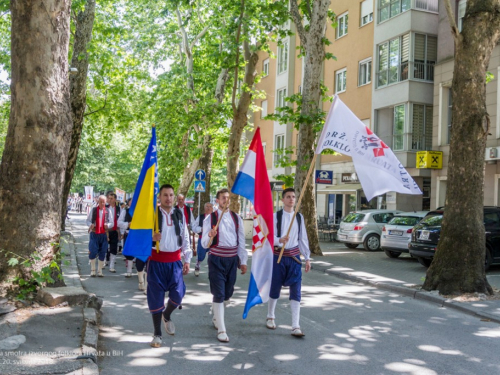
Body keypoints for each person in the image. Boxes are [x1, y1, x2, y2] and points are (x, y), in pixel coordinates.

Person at [148, 184, 192, 348]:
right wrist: (152, 237)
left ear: (174, 197)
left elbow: (185, 237)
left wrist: (187, 259)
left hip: (175, 262)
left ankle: (166, 315)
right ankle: (157, 334)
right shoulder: (152, 215)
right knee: (156, 297)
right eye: (165, 195)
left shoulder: (180, 214)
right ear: (159, 197)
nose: (168, 198)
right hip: (156, 261)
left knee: (178, 294)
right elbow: (139, 236)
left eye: (171, 195)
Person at [202, 188, 247, 343]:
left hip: (232, 260)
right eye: (223, 198)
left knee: (227, 295)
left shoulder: (236, 218)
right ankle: (222, 330)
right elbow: (203, 243)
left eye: (228, 198)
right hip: (216, 259)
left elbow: (241, 241)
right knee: (219, 294)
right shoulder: (210, 219)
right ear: (217, 200)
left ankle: (216, 312)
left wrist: (243, 261)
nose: (226, 200)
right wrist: (209, 235)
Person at [266, 188, 310, 337]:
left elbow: (302, 238)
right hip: (278, 257)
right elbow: (268, 237)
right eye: (288, 197)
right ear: (283, 200)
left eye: (293, 196)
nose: (291, 199)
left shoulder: (299, 217)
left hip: (294, 258)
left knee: (296, 290)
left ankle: (295, 325)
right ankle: (270, 316)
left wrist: (307, 257)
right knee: (275, 287)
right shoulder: (275, 216)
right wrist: (279, 240)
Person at [118, 198, 147, 288]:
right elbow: (119, 222)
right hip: (129, 234)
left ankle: (141, 275)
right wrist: (127, 224)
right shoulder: (125, 211)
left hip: (140, 235)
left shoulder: (143, 211)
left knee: (139, 255)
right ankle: (129, 271)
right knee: (129, 253)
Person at [86, 195, 114, 277]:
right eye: (100, 202)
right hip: (94, 233)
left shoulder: (108, 211)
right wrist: (90, 224)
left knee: (103, 252)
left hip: (104, 234)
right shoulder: (94, 210)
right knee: (93, 250)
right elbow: (87, 221)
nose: (102, 203)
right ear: (98, 202)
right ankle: (93, 270)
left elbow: (112, 222)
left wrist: (108, 225)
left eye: (103, 202)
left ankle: (100, 270)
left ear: (105, 202)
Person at [191, 202, 214, 276]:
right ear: (204, 208)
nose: (208, 208)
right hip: (202, 239)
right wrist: (201, 229)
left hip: (214, 240)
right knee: (201, 256)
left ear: (212, 208)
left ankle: (213, 271)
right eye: (207, 206)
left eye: (210, 206)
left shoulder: (215, 217)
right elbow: (194, 227)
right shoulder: (200, 217)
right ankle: (197, 265)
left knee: (213, 257)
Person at [105, 192, 121, 273]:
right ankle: (104, 261)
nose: (110, 200)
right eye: (109, 198)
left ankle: (112, 265)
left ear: (115, 199)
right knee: (104, 247)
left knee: (113, 248)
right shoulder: (105, 207)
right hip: (106, 231)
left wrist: (120, 232)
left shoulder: (119, 209)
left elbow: (120, 220)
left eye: (111, 198)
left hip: (114, 231)